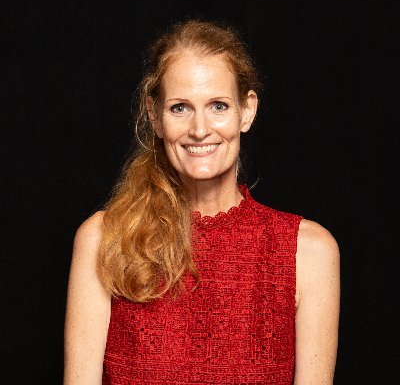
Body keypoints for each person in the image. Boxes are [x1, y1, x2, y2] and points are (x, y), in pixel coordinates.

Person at [64, 20, 340, 384]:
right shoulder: (104, 238)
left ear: (247, 111)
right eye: (180, 107)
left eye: (218, 106)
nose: (199, 129)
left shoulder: (309, 252)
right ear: (154, 115)